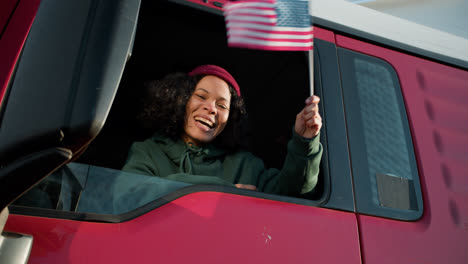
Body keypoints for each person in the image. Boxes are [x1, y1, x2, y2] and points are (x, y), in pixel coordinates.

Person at [122, 65, 322, 198]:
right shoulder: (147, 151)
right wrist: (219, 191)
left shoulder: (247, 166)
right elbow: (127, 197)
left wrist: (304, 142)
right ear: (181, 101)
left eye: (222, 106)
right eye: (201, 96)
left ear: (230, 120)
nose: (211, 108)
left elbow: (296, 193)